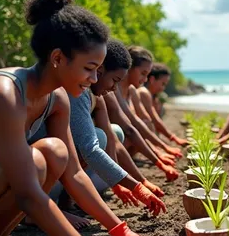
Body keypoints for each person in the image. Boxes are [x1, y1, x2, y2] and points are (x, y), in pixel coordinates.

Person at [0, 0, 152, 236]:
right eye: (90, 68)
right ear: (57, 58)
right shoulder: (5, 94)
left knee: (54, 153)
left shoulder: (57, 98)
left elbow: (75, 174)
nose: (95, 79)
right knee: (39, 161)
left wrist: (119, 230)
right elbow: (27, 192)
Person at [68, 39, 166, 213]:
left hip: (65, 170)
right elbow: (93, 147)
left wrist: (123, 182)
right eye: (114, 80)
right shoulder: (78, 93)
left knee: (111, 134)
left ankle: (68, 200)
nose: (114, 88)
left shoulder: (95, 96)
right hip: (42, 178)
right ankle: (63, 202)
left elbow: (113, 137)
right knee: (99, 137)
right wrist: (138, 186)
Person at [105, 47, 180, 181]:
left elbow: (138, 124)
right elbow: (131, 127)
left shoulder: (132, 90)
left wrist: (161, 150)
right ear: (129, 68)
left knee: (143, 124)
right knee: (125, 132)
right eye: (143, 73)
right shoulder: (113, 89)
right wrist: (160, 159)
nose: (145, 79)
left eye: (147, 74)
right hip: (111, 146)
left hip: (122, 145)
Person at [138, 63, 187, 147]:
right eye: (163, 84)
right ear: (152, 79)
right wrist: (174, 138)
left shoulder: (154, 96)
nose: (163, 88)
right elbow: (155, 120)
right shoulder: (143, 92)